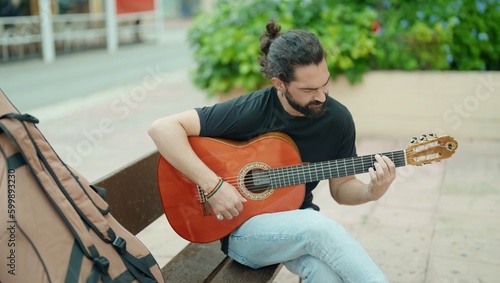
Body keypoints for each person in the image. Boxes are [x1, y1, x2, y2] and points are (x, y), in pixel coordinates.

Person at [148, 19, 396, 282]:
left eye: (325, 83)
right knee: (317, 227)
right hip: (242, 230)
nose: (322, 96)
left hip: (296, 222)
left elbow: (342, 188)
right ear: (279, 84)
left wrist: (370, 191)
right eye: (309, 89)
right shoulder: (252, 110)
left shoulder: (338, 119)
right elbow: (161, 128)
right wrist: (214, 186)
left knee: (325, 273)